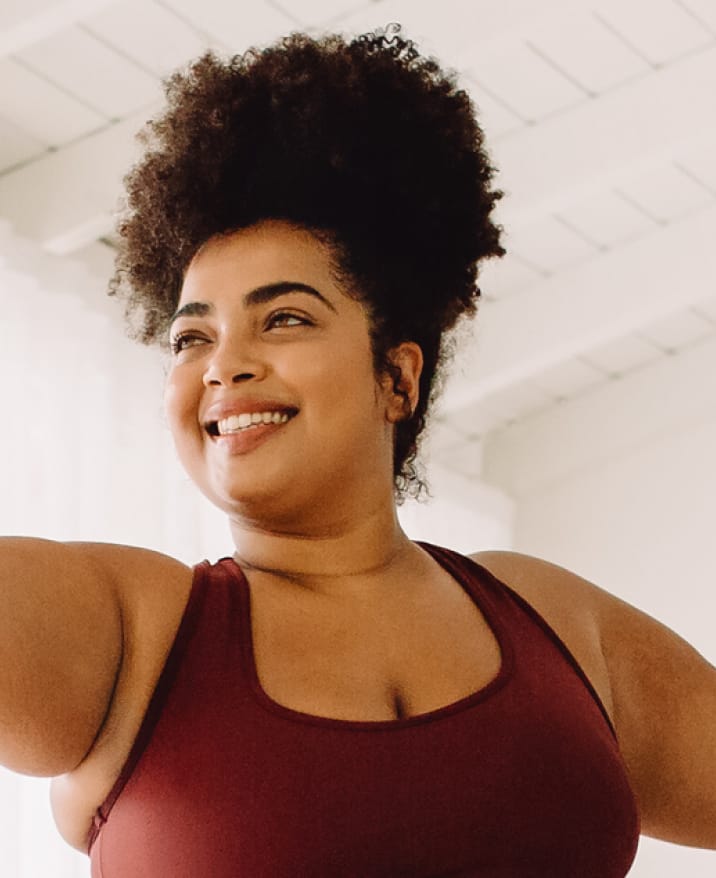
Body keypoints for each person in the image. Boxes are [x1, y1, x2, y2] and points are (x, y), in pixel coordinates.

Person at [1, 23, 714, 878]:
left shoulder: (556, 624)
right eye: (192, 338)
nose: (224, 363)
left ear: (396, 378)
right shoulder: (132, 629)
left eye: (285, 318)